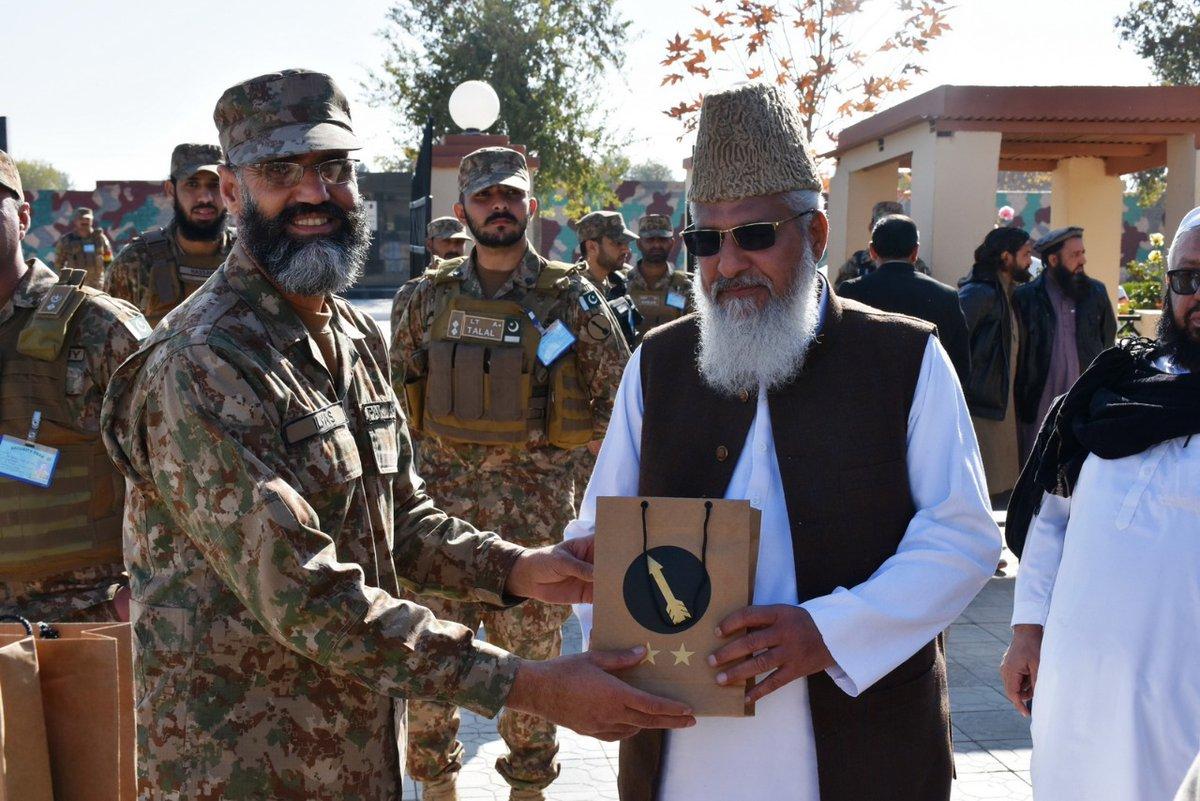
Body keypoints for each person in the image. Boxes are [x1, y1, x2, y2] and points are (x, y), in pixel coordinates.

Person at [101, 69, 692, 801]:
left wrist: (519, 567)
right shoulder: (201, 363)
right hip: (243, 769)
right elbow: (303, 592)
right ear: (230, 191)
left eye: (333, 168)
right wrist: (530, 685)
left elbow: (401, 518)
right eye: (280, 171)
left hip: (354, 758)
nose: (315, 194)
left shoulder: (346, 332)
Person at [567, 82, 1000, 801]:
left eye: (755, 234)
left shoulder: (902, 359)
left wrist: (827, 631)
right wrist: (612, 622)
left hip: (864, 751)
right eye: (706, 239)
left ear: (818, 233)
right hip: (683, 755)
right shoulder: (659, 362)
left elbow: (962, 535)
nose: (728, 262)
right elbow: (599, 525)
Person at [391, 146, 632, 801]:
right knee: (430, 674)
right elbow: (391, 409)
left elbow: (619, 411)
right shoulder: (423, 300)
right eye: (485, 196)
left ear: (530, 205)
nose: (499, 207)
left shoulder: (572, 300)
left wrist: (591, 510)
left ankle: (529, 790)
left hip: (535, 539)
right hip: (437, 538)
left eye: (511, 196)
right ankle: (437, 788)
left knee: (537, 683)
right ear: (464, 208)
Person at [1000, 208, 1200, 801]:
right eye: (1187, 279)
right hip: (1077, 682)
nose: (1198, 294)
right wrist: (1026, 629)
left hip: (1179, 696)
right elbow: (1054, 518)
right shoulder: (1116, 385)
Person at [0, 150, 150, 623]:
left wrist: (138, 600)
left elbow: (189, 477)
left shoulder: (99, 325)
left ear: (23, 217)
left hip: (81, 619)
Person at [103, 143, 236, 327]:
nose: (205, 198)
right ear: (171, 189)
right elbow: (111, 343)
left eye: (214, 185)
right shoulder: (135, 263)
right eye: (192, 184)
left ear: (228, 188)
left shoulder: (250, 257)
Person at [1013, 226, 1117, 461]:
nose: (1083, 260)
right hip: (1039, 394)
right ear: (1052, 259)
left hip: (1084, 394)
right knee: (1035, 461)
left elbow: (1107, 340)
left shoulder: (1096, 292)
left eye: (1082, 252)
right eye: (1074, 255)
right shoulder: (1026, 297)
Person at [836, 214, 971, 384]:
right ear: (915, 252)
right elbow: (960, 366)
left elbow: (837, 352)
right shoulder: (946, 296)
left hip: (865, 397)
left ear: (872, 251)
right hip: (924, 400)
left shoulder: (852, 291)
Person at [959, 227, 1034, 503]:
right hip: (982, 407)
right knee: (981, 491)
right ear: (1006, 257)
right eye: (1025, 254)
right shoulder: (980, 293)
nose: (1029, 261)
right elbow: (954, 339)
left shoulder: (1008, 294)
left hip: (999, 407)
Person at [389, 216, 472, 335]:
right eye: (446, 241)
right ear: (429, 244)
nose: (453, 248)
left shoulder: (475, 286)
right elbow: (400, 349)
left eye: (459, 242)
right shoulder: (410, 293)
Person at [574, 209, 642, 345]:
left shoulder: (618, 284)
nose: (626, 250)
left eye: (626, 243)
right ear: (592, 247)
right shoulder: (572, 291)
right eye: (617, 243)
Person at [833, 199, 931, 288]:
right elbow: (839, 296)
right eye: (882, 228)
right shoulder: (857, 263)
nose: (890, 233)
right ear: (871, 227)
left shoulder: (917, 265)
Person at [624, 212, 693, 335]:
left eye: (662, 239)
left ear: (672, 243)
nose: (656, 245)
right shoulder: (621, 285)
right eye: (650, 240)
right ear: (639, 244)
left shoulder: (685, 286)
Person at [53, 207, 112, 288]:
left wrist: (107, 279)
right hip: (75, 285)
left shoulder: (100, 239)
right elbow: (58, 264)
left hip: (98, 285)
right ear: (75, 221)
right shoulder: (66, 241)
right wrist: (65, 281)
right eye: (81, 219)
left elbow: (109, 261)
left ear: (92, 221)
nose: (84, 221)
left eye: (87, 219)